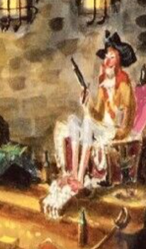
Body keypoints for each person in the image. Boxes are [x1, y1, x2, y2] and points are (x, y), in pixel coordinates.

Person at [53, 31, 137, 185]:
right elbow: (97, 114)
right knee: (73, 120)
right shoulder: (103, 83)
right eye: (106, 57)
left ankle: (79, 178)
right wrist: (87, 103)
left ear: (119, 60)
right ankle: (72, 173)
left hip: (114, 130)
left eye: (112, 57)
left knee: (87, 122)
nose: (107, 61)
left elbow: (127, 115)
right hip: (101, 127)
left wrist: (120, 134)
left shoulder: (124, 83)